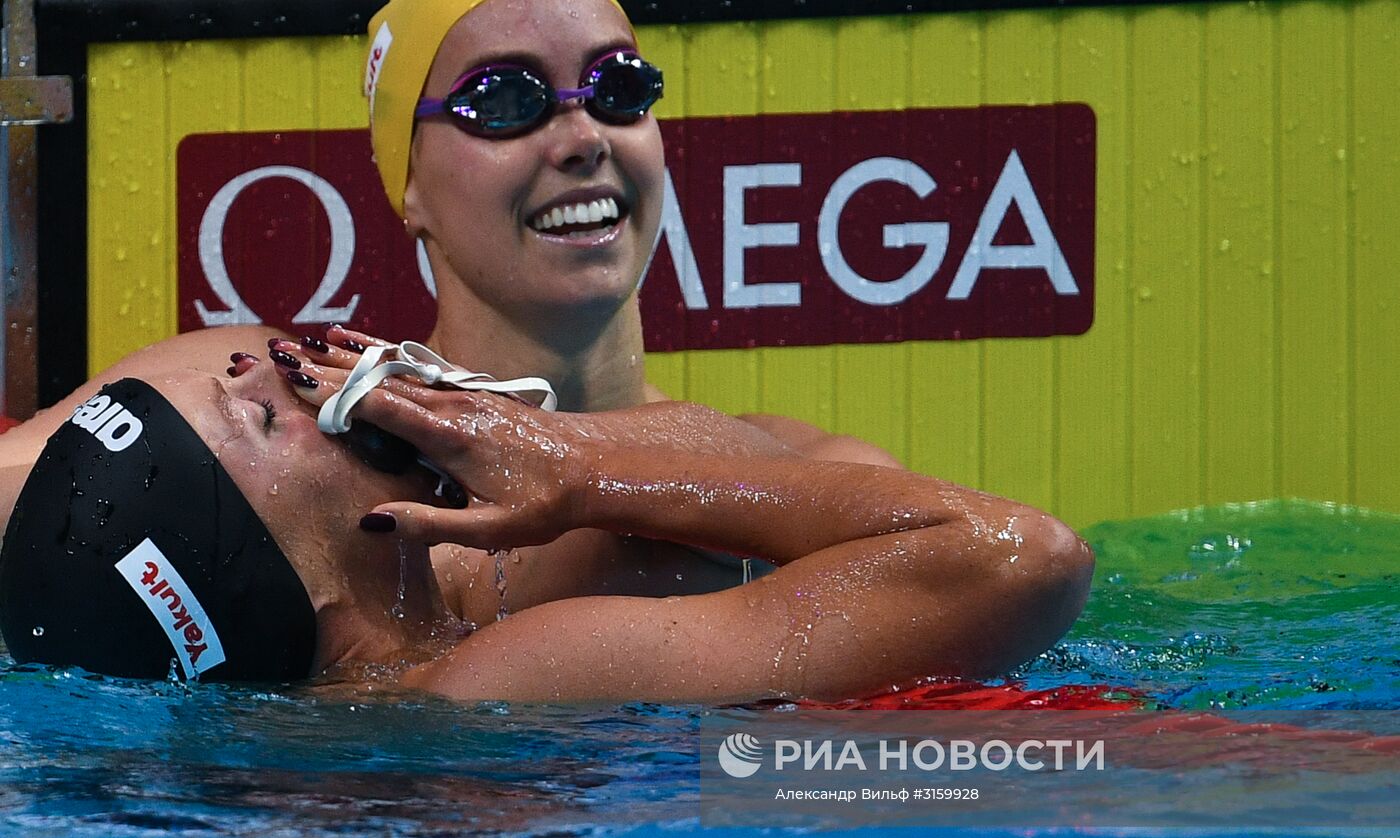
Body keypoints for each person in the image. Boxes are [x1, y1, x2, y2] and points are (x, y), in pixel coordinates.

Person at [0, 0, 1091, 685]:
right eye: (502, 100)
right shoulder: (222, 386)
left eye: (619, 89)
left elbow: (988, 585)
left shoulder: (805, 473)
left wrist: (580, 466)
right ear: (407, 182)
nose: (581, 136)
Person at [0, 360, 1092, 702]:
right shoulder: (492, 679)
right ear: (277, 567)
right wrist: (586, 471)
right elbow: (1018, 556)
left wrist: (565, 463)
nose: (253, 367)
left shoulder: (472, 615)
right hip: (1027, 774)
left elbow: (803, 476)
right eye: (257, 414)